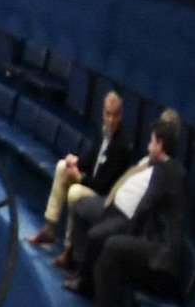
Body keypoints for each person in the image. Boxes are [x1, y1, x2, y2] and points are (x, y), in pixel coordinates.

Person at [70, 111, 188, 307]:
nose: (148, 145)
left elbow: (143, 209)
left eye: (152, 141)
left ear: (159, 145)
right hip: (157, 251)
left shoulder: (163, 171)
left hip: (161, 259)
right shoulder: (173, 170)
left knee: (112, 248)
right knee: (108, 259)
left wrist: (128, 237)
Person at [30, 92, 131, 250]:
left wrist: (79, 178)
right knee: (63, 166)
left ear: (121, 115)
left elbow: (102, 186)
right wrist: (76, 161)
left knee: (75, 192)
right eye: (108, 114)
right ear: (103, 113)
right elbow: (92, 157)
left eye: (115, 115)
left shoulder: (123, 145)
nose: (111, 120)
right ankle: (49, 228)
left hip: (104, 196)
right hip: (92, 183)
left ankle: (69, 248)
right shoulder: (102, 131)